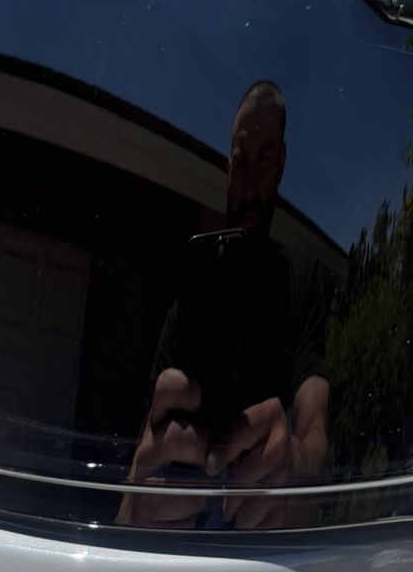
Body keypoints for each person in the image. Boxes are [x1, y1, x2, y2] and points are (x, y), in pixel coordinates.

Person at [121, 80, 330, 530]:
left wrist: (293, 468)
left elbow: (315, 436)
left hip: (266, 548)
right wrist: (136, 506)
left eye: (264, 160)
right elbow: (134, 483)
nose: (249, 183)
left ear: (282, 165)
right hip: (181, 545)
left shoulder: (301, 281)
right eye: (239, 163)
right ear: (227, 171)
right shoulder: (184, 314)